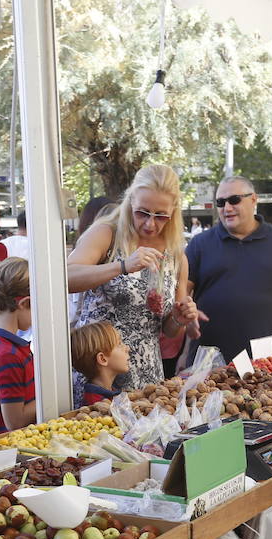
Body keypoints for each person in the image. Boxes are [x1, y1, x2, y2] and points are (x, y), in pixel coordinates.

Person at [66, 164, 201, 397]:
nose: (150, 224)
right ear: (130, 202)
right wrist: (122, 266)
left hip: (146, 375)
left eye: (161, 216)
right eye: (142, 213)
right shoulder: (107, 234)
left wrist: (179, 319)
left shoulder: (177, 256)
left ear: (174, 212)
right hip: (97, 372)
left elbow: (170, 331)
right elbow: (66, 278)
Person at [185, 176, 272, 362]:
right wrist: (184, 344)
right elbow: (181, 293)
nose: (227, 208)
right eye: (220, 202)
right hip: (209, 360)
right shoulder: (199, 244)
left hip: (266, 362)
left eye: (234, 200)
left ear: (253, 199)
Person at [0, 258, 36, 436]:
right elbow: (15, 421)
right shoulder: (8, 356)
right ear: (24, 303)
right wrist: (49, 393)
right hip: (14, 447)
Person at [71, 321, 129, 407]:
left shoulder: (110, 394)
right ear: (102, 359)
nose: (127, 348)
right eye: (119, 344)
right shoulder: (96, 405)